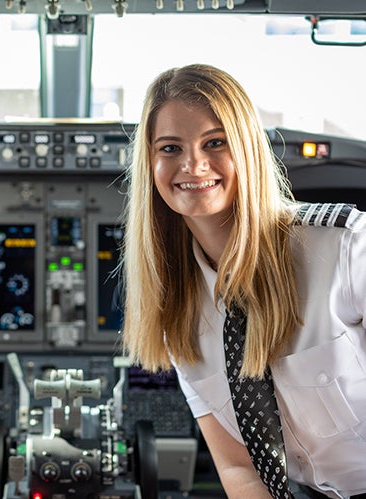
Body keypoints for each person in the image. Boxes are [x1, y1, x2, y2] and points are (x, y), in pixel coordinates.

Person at [120, 63, 365, 499]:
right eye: (170, 148)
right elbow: (238, 467)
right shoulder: (176, 307)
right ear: (150, 163)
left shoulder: (348, 249)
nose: (193, 165)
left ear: (248, 148)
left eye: (215, 142)